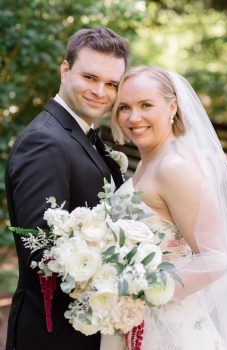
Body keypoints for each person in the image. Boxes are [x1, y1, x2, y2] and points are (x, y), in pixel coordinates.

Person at [5, 26, 130, 350]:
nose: (101, 91)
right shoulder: (45, 141)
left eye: (111, 84)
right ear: (65, 70)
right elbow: (42, 249)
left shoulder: (79, 134)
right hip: (54, 335)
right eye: (90, 77)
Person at [105, 66, 227, 349]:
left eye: (146, 105)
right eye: (124, 107)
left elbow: (217, 257)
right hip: (139, 320)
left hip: (168, 328)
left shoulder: (175, 167)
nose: (133, 117)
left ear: (172, 106)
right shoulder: (154, 159)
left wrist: (145, 290)